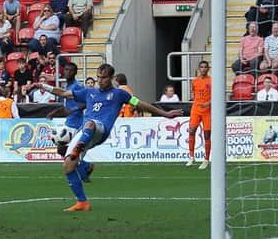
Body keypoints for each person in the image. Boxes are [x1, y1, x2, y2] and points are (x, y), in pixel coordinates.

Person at [37, 63, 182, 211]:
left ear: (111, 78)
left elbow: (140, 104)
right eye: (98, 77)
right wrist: (44, 86)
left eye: (104, 78)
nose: (100, 81)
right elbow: (63, 93)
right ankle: (82, 202)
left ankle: (78, 150)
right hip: (84, 132)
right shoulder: (89, 92)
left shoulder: (119, 94)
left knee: (91, 124)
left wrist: (165, 114)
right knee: (68, 166)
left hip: (100, 130)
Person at [45, 62, 85, 156]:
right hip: (69, 122)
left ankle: (82, 166)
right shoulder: (67, 86)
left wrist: (73, 110)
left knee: (70, 151)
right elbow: (67, 105)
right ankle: (81, 166)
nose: (67, 72)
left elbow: (85, 102)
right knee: (62, 150)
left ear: (75, 72)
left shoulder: (78, 86)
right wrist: (54, 112)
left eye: (70, 70)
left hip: (77, 124)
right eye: (66, 70)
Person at [187, 60, 211, 170]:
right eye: (201, 67)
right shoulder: (194, 81)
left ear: (208, 68)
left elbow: (216, 95)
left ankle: (206, 159)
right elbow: (194, 94)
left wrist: (208, 103)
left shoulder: (211, 81)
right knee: (192, 131)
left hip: (207, 110)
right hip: (196, 109)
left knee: (207, 135)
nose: (203, 69)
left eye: (205, 67)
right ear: (199, 69)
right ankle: (191, 157)